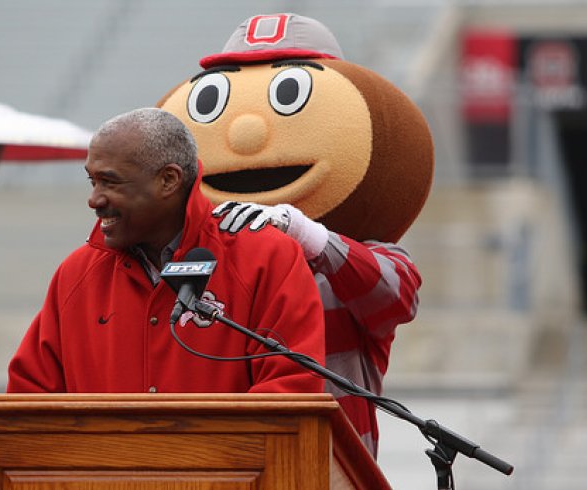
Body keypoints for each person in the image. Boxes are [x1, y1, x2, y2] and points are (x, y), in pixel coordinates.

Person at [156, 13, 431, 454]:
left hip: (330, 465)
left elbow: (397, 295)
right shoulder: (198, 256)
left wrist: (307, 234)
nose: (247, 132)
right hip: (223, 462)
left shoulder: (360, 255)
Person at [7, 108, 325, 395]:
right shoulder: (75, 275)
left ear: (168, 180)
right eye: (93, 181)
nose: (94, 199)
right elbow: (27, 403)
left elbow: (291, 392)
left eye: (110, 182)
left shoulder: (267, 258)